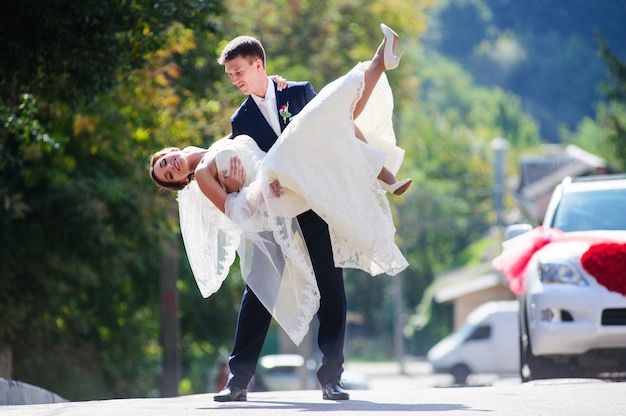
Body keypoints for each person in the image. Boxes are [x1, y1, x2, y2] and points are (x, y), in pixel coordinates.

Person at [150, 23, 409, 401]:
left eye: (239, 71)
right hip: (269, 213)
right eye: (230, 74)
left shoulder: (298, 91)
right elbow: (244, 168)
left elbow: (337, 130)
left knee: (330, 286)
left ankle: (331, 377)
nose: (235, 79)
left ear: (259, 64)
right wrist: (250, 188)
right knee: (259, 290)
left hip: (312, 201)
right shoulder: (240, 122)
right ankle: (237, 381)